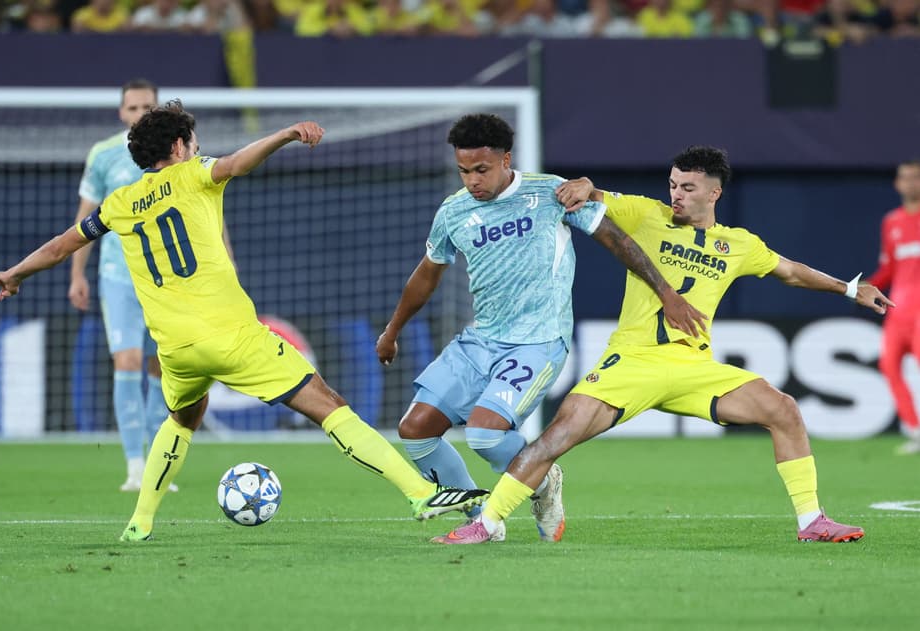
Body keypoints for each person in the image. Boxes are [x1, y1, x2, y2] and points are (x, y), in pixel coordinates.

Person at [0, 101, 488, 542]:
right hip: (232, 337)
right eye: (193, 139)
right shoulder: (195, 173)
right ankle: (422, 494)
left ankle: (140, 521)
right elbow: (240, 161)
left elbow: (61, 244)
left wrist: (16, 272)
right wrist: (288, 134)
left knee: (182, 419)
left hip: (175, 349)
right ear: (179, 147)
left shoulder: (118, 204)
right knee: (329, 406)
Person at [432, 145, 892, 545]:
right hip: (631, 363)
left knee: (784, 409)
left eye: (689, 188)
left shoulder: (739, 244)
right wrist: (585, 183)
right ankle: (487, 523)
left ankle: (811, 520)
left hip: (693, 367)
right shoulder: (646, 214)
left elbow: (790, 271)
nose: (676, 194)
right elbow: (594, 195)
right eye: (673, 184)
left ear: (715, 193)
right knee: (554, 440)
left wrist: (850, 290)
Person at [377, 114, 705, 543]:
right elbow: (427, 274)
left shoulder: (551, 192)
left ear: (505, 159)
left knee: (483, 434)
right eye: (464, 170)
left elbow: (617, 240)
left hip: (537, 339)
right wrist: (392, 329)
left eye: (481, 169)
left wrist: (666, 292)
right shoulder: (454, 211)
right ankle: (476, 512)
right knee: (415, 429)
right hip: (480, 340)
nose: (472, 180)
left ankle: (545, 480)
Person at [68, 79, 171, 492]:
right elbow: (84, 221)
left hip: (165, 279)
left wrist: (226, 256)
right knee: (126, 362)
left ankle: (157, 461)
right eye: (133, 108)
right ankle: (134, 465)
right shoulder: (104, 155)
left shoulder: (175, 151)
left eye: (148, 107)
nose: (141, 114)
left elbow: (206, 206)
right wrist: (77, 274)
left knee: (160, 366)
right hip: (118, 278)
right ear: (121, 113)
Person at [867, 159, 920, 455]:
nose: (910, 183)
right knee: (889, 366)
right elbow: (889, 268)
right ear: (897, 184)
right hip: (899, 310)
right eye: (905, 178)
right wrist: (865, 288)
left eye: (916, 178)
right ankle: (915, 430)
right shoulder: (892, 222)